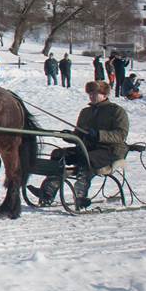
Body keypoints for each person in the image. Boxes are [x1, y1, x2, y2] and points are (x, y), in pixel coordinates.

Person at [27, 80, 129, 209]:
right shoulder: (86, 112)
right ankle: (47, 193)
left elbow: (121, 135)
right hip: (87, 148)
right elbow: (79, 135)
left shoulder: (116, 111)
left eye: (95, 93)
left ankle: (80, 196)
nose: (91, 96)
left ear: (104, 94)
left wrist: (98, 134)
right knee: (58, 154)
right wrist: (69, 136)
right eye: (90, 93)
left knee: (86, 158)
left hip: (110, 151)